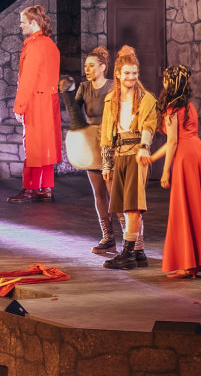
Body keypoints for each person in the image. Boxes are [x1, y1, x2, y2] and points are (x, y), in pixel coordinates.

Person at [138, 66, 201, 279]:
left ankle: (188, 265)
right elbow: (177, 139)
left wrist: (165, 171)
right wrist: (152, 158)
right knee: (198, 207)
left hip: (187, 159)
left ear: (170, 83)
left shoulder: (171, 108)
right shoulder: (188, 106)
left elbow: (173, 141)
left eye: (166, 79)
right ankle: (197, 263)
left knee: (185, 209)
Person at [98, 47, 157, 270]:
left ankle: (128, 254)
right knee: (124, 207)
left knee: (133, 206)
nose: (131, 77)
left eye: (134, 73)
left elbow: (149, 126)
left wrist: (144, 147)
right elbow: (106, 135)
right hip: (119, 156)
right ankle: (139, 252)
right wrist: (107, 163)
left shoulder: (146, 99)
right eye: (127, 73)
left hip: (136, 156)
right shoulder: (111, 100)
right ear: (118, 74)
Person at [61, 46, 117, 255]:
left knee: (114, 193)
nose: (87, 69)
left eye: (92, 66)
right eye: (86, 66)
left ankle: (131, 240)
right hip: (93, 142)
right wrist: (67, 93)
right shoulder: (84, 87)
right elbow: (76, 116)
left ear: (103, 67)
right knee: (99, 193)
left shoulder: (113, 86)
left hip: (111, 140)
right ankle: (108, 237)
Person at [10, 5, 61, 203]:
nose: (21, 25)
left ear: (33, 22)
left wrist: (19, 106)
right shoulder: (50, 44)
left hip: (37, 103)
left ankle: (30, 189)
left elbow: (28, 80)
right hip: (49, 100)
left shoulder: (34, 45)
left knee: (33, 147)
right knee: (47, 146)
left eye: (23, 22)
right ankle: (47, 188)